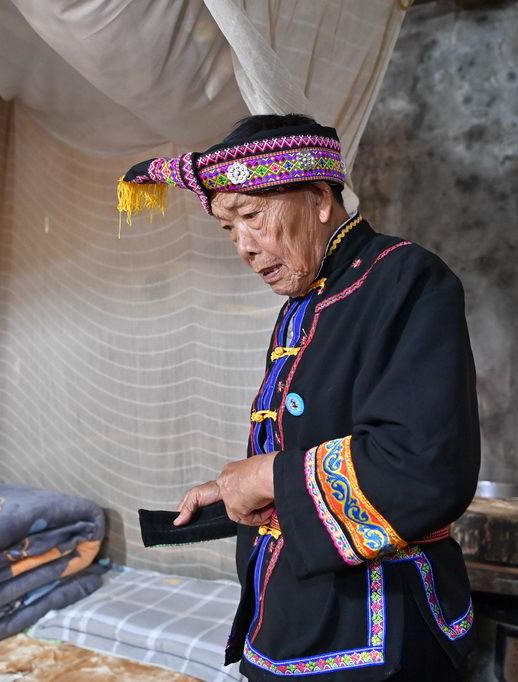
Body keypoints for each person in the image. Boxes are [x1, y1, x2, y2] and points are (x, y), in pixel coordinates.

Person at [119, 114, 481, 681]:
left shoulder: (404, 279)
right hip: (292, 612)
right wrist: (232, 489)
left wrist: (266, 478)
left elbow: (425, 468)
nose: (243, 246)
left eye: (251, 216)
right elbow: (309, 438)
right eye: (227, 228)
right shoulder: (303, 304)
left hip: (375, 634)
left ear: (318, 198)